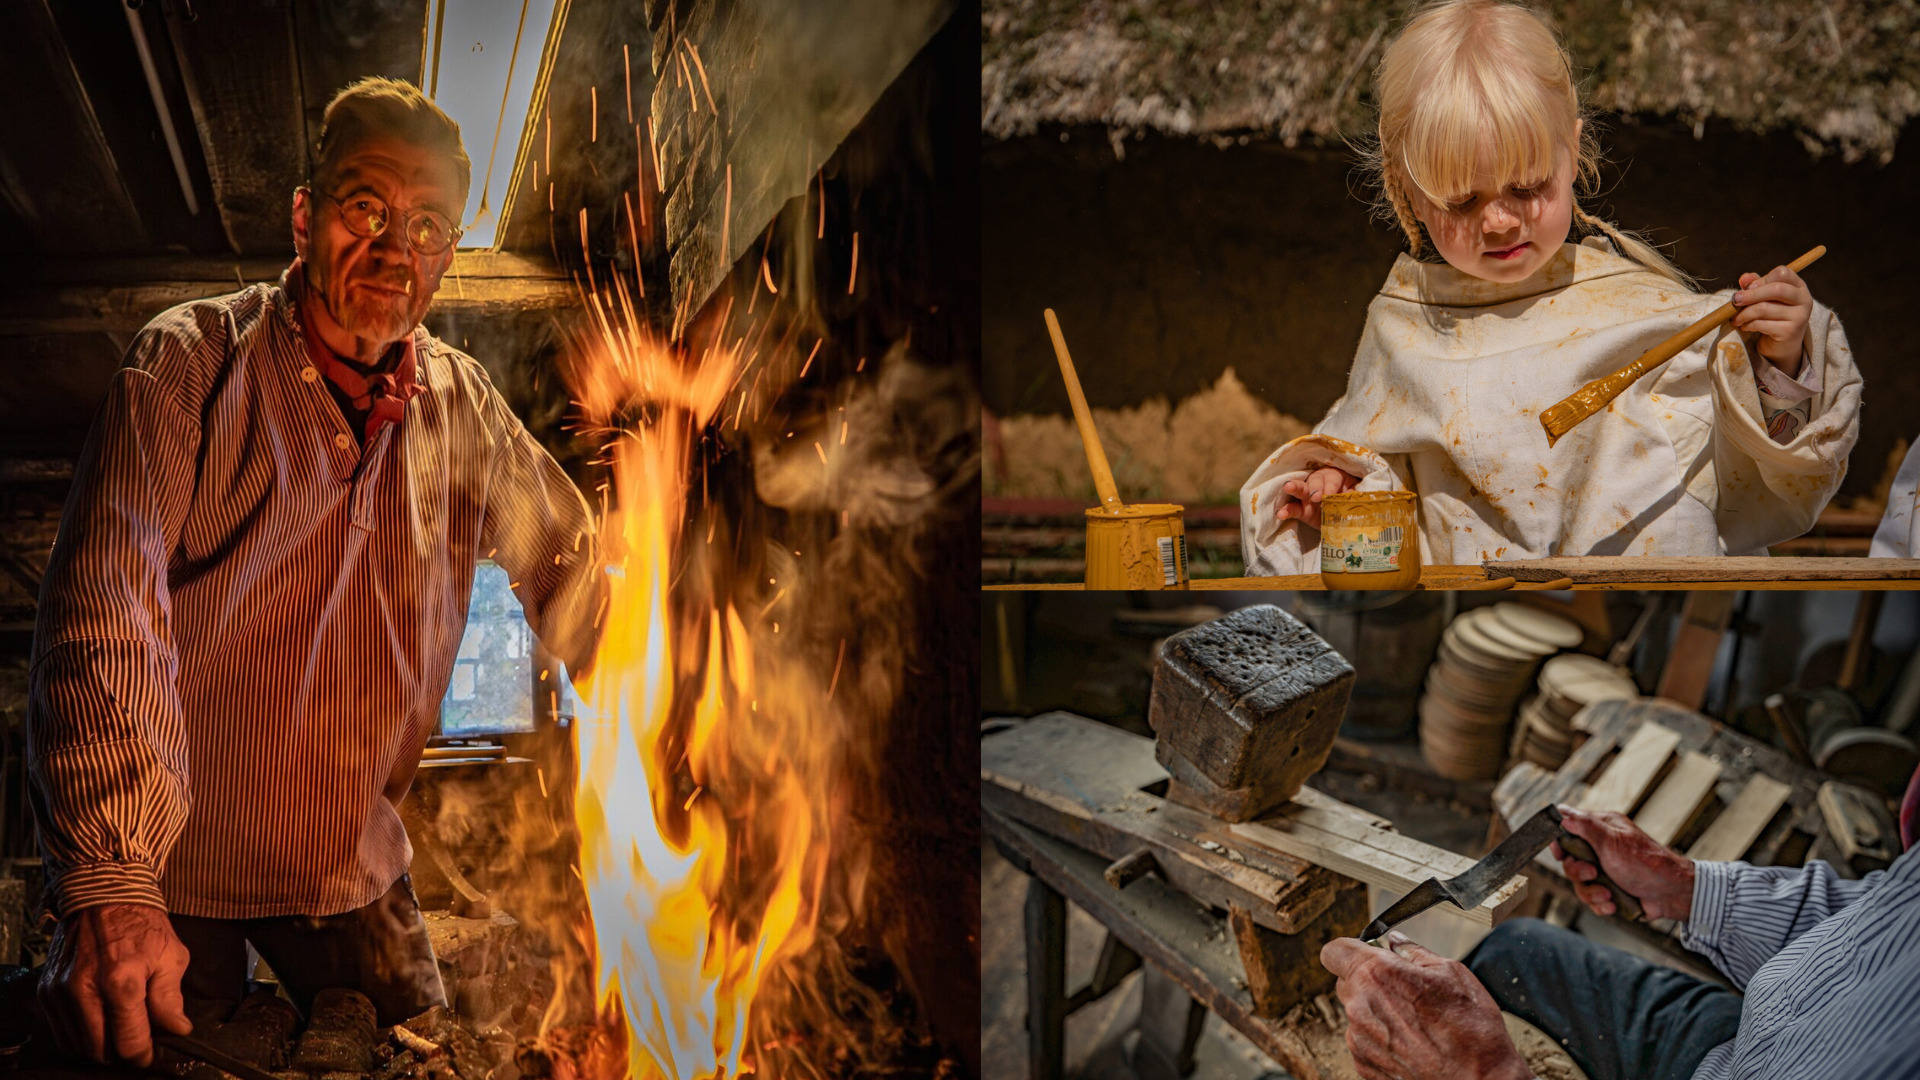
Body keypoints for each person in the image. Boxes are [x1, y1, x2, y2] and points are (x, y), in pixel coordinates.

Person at [26, 77, 603, 1066]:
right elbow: (105, 614)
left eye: (427, 225)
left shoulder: (462, 407)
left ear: (448, 253)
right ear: (304, 218)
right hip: (175, 874)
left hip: (352, 871)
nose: (394, 248)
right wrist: (113, 880)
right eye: (365, 208)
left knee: (430, 1057)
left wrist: (673, 710)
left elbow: (573, 571)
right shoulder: (187, 366)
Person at [1239, 0, 1862, 576]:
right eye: (1462, 200)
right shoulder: (1404, 332)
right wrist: (1343, 492)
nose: (1498, 221)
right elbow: (1384, 496)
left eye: (1527, 187)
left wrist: (1780, 358)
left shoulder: (1648, 315)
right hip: (1476, 618)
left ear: (1572, 150)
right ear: (1410, 191)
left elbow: (1754, 475)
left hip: (1646, 607)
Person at [1321, 802, 1920, 1080]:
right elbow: (1877, 911)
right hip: (1762, 1037)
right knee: (1516, 949)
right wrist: (1685, 886)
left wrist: (1485, 1074)